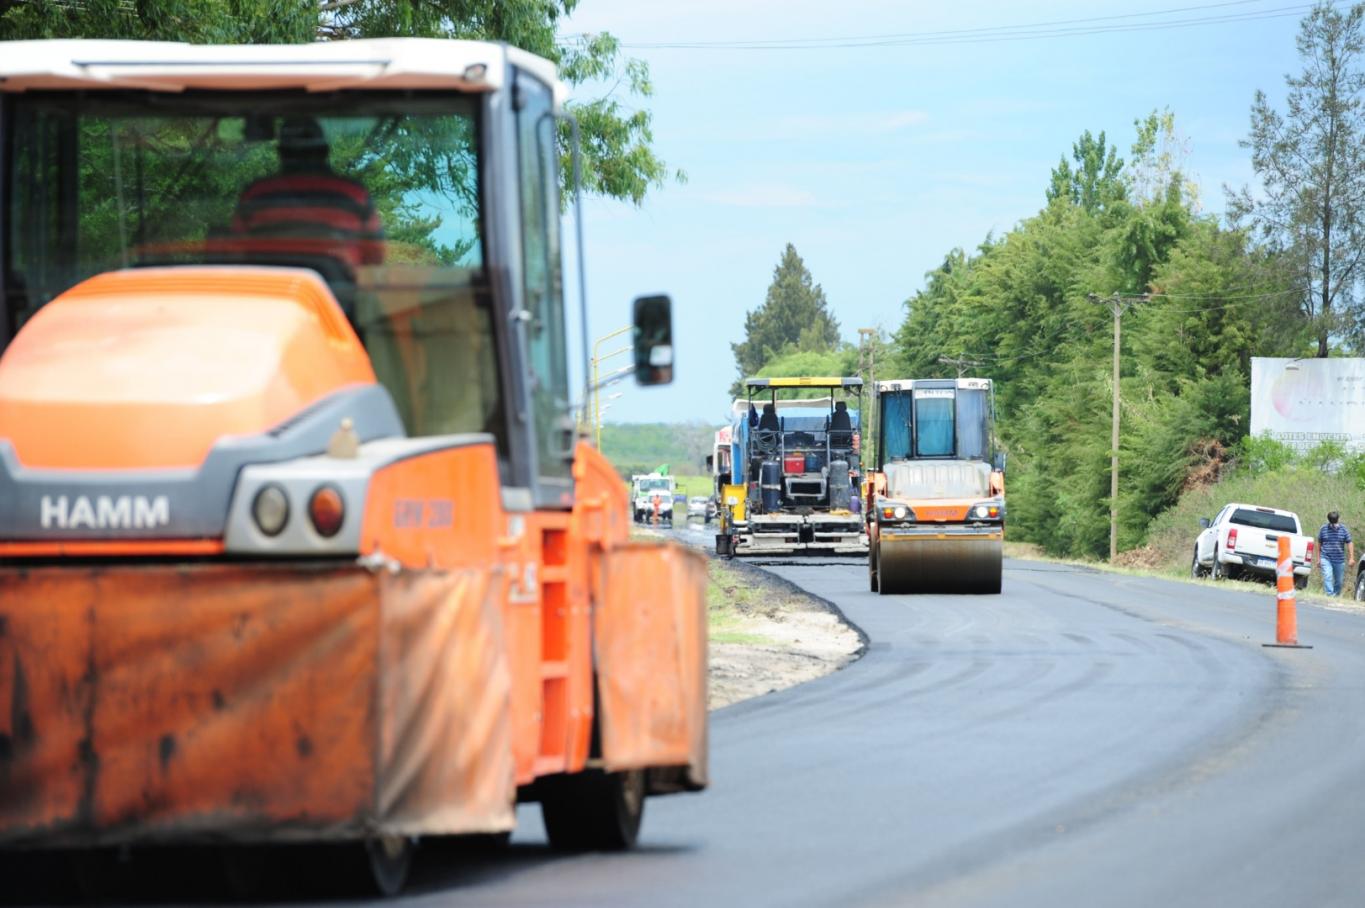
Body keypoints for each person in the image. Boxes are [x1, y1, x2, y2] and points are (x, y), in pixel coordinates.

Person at [231, 116, 383, 268]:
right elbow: (375, 255)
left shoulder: (255, 194)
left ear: (281, 153)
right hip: (336, 290)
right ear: (325, 151)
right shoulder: (355, 194)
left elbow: (235, 251)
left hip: (266, 289)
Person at [1317, 511, 1354, 596]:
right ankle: (1330, 595)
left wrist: (1351, 557)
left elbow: (1349, 542)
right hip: (1326, 558)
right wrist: (1319, 559)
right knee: (1328, 576)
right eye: (1332, 522)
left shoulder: (1343, 529)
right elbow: (1319, 543)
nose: (1334, 524)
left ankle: (1336, 596)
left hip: (1339, 560)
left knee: (1339, 581)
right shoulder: (1323, 529)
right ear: (1329, 520)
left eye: (1335, 521)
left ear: (1338, 519)